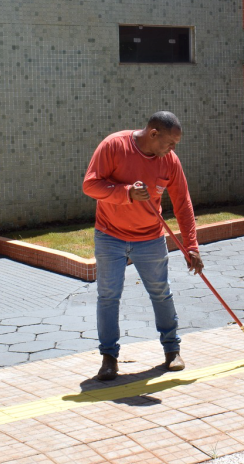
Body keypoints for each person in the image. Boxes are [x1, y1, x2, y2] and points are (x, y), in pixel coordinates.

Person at [82, 111, 203, 381]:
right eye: (169, 143)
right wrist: (126, 193)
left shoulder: (169, 161)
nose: (172, 150)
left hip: (150, 238)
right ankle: (109, 358)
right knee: (108, 297)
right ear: (153, 134)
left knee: (161, 293)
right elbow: (90, 185)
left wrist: (191, 246)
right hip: (110, 236)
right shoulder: (114, 145)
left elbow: (182, 203)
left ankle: (172, 351)